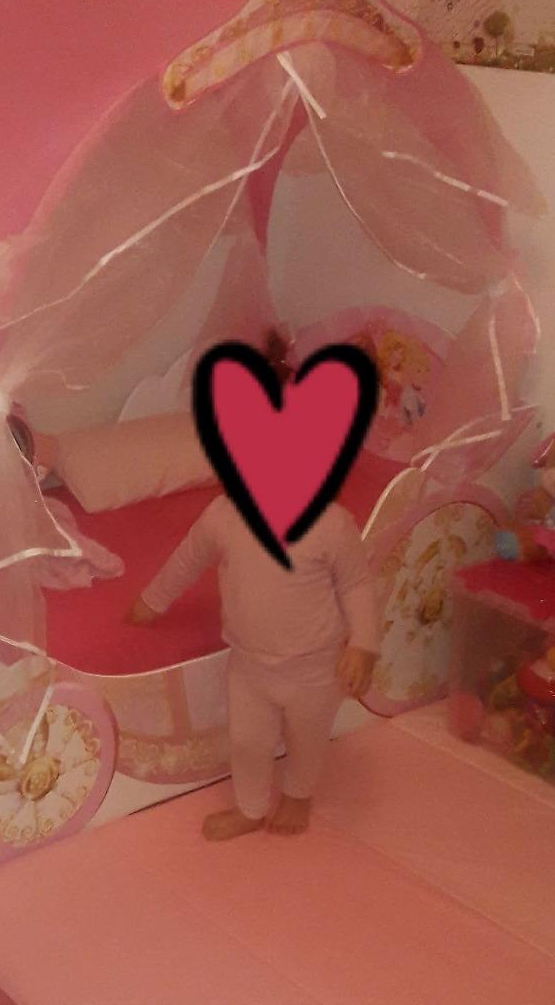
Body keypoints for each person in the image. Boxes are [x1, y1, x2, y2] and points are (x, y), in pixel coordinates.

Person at [127, 331, 380, 839]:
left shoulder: (331, 525)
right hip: (249, 663)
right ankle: (249, 807)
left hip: (315, 666)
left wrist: (364, 645)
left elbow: (357, 584)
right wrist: (150, 603)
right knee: (247, 742)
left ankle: (298, 796)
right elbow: (186, 561)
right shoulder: (223, 516)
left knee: (307, 740)